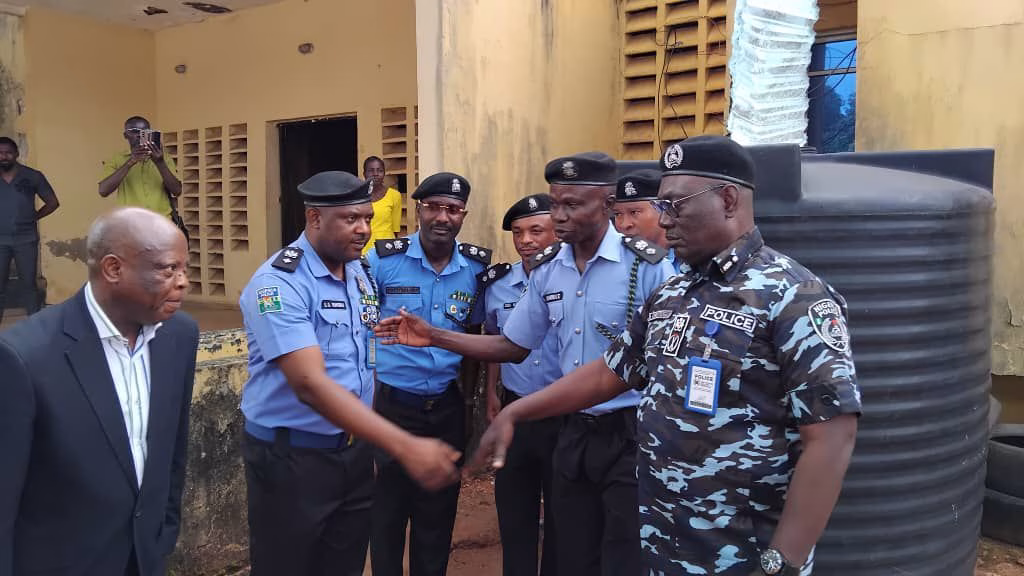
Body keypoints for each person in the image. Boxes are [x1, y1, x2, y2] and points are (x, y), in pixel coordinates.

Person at [471, 136, 862, 575]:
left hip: (740, 552)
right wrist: (517, 412)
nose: (664, 219)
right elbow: (607, 374)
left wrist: (782, 561)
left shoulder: (792, 295)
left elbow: (831, 437)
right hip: (664, 540)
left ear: (728, 200)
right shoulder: (672, 293)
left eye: (676, 205)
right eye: (662, 206)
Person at [374, 152, 674, 576]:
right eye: (557, 203)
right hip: (571, 431)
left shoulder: (646, 268)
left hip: (630, 432)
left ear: (606, 205)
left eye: (572, 205)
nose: (561, 215)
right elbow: (513, 344)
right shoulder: (552, 270)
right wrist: (435, 335)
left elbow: (658, 364)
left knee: (623, 552)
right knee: (572, 550)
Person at [238, 171, 462, 576]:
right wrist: (401, 444)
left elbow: (364, 361)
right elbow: (309, 384)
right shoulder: (278, 283)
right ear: (314, 218)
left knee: (345, 563)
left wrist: (364, 446)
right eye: (351, 219)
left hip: (353, 454)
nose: (364, 229)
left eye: (367, 217)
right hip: (293, 458)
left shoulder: (357, 273)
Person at [0, 207, 197, 576]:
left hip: (144, 557)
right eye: (168, 269)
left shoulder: (180, 336)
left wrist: (163, 534)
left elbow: (173, 450)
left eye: (185, 269)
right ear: (113, 269)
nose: (183, 281)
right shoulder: (24, 358)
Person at [365, 171, 493, 576]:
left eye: (452, 210)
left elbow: (475, 337)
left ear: (463, 216)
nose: (443, 217)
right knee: (386, 514)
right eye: (434, 207)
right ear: (418, 211)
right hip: (390, 404)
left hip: (446, 406)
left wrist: (473, 406)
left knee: (437, 515)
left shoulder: (475, 268)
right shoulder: (383, 260)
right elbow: (360, 328)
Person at [484, 193, 561, 576]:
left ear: (557, 232)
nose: (526, 240)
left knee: (563, 522)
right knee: (515, 514)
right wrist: (491, 395)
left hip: (565, 414)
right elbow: (496, 339)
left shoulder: (576, 279)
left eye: (536, 230)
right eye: (518, 232)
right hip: (515, 410)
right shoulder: (498, 284)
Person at [0, 136, 59, 324]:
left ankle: (35, 327)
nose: (3, 156)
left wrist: (34, 217)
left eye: (8, 152)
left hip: (25, 239)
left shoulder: (32, 176)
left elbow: (52, 203)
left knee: (29, 285)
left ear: (16, 154)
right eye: (0, 153)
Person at [98, 116, 182, 218]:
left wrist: (160, 163)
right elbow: (103, 191)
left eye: (144, 131)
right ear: (125, 135)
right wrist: (130, 162)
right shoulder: (116, 159)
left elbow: (177, 191)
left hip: (161, 222)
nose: (139, 135)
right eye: (134, 131)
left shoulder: (164, 158)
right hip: (130, 223)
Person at [613, 168, 682, 271]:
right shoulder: (613, 263)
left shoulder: (692, 255)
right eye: (618, 214)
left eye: (634, 212)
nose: (624, 224)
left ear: (663, 210)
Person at [363, 156, 403, 255]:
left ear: (384, 173)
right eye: (371, 171)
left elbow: (395, 230)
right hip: (364, 250)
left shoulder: (394, 196)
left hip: (386, 249)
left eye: (379, 171)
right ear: (364, 174)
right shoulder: (358, 196)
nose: (375, 174)